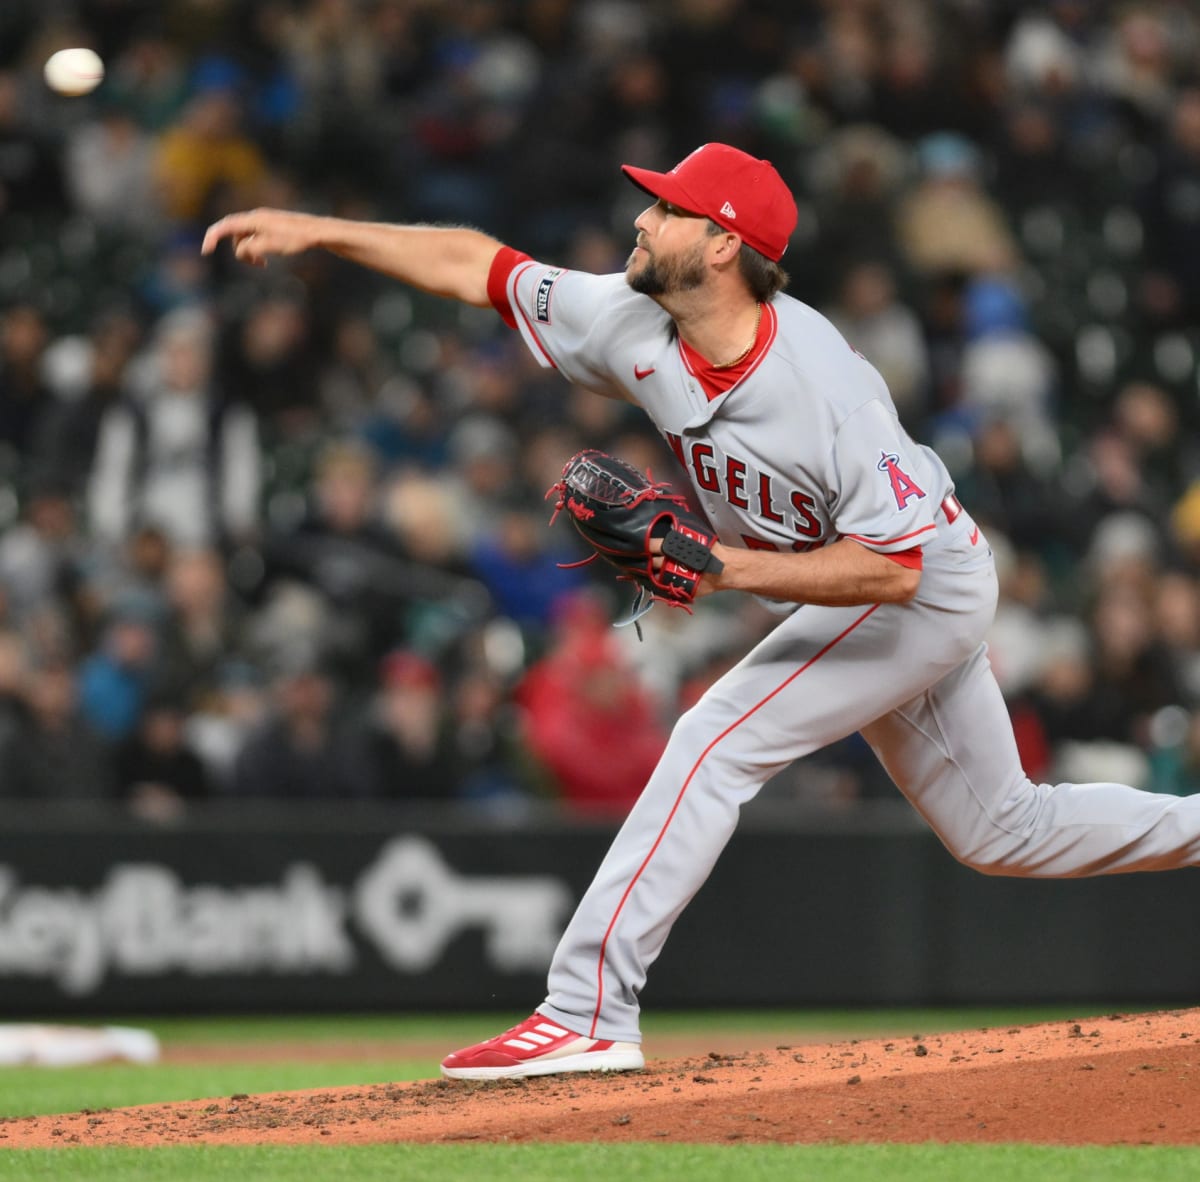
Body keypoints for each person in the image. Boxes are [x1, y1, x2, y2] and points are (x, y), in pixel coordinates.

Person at [204, 141, 1200, 1082]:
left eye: (667, 207)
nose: (641, 218)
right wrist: (323, 230)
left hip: (920, 582)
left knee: (715, 735)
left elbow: (894, 570)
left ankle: (588, 1011)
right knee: (1002, 830)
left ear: (722, 243)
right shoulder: (634, 324)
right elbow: (481, 265)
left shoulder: (823, 385)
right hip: (875, 582)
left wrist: (721, 567)